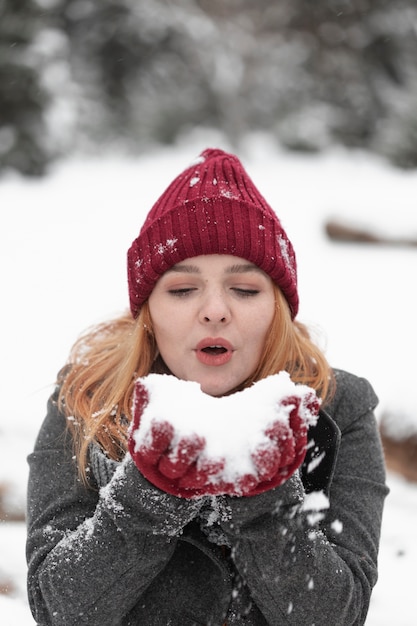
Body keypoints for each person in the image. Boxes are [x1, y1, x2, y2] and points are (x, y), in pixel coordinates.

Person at [26, 148, 388, 625]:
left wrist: (266, 502)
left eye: (245, 289)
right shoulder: (87, 399)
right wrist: (147, 498)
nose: (215, 310)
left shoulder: (337, 408)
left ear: (278, 307)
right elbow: (57, 608)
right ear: (148, 312)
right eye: (182, 290)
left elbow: (338, 615)